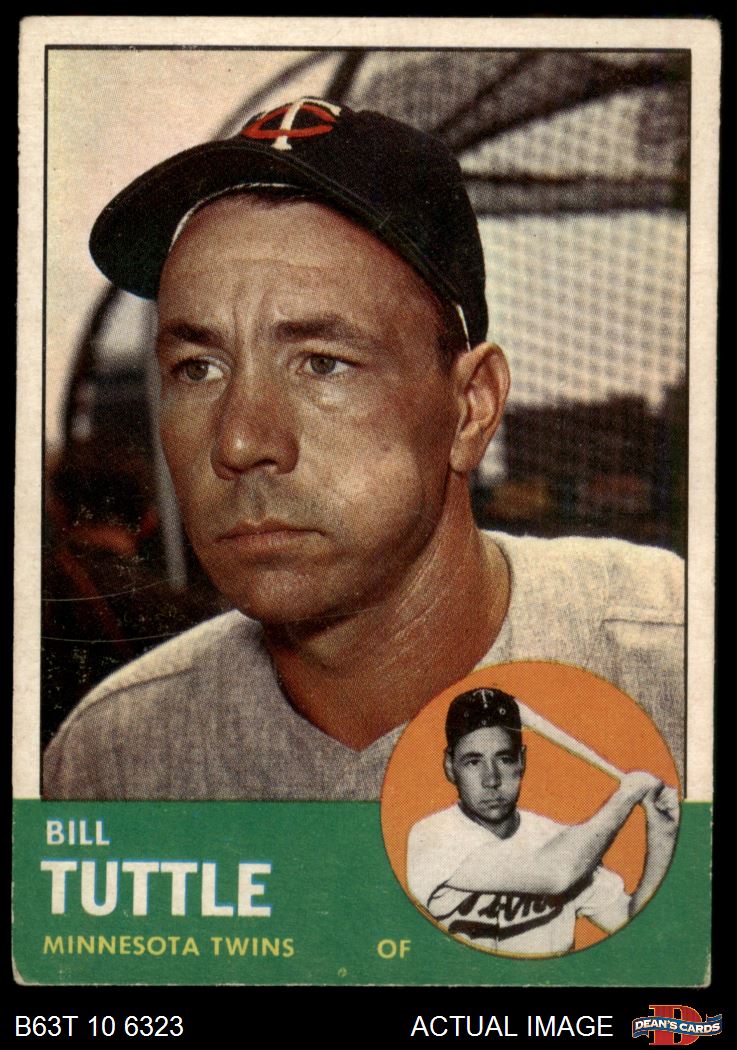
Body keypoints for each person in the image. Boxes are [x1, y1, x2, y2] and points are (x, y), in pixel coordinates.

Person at [43, 97, 684, 800]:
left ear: (471, 408)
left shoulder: (678, 663)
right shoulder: (112, 757)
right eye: (199, 369)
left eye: (323, 363)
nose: (240, 441)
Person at [406, 688, 679, 957]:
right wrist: (626, 796)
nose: (491, 779)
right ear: (450, 767)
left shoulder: (561, 842)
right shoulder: (431, 837)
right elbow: (558, 873)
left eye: (504, 759)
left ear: (522, 761)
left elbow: (633, 924)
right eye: (473, 762)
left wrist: (662, 833)